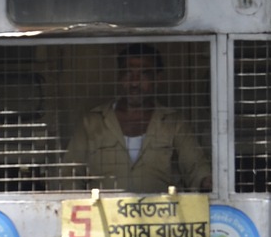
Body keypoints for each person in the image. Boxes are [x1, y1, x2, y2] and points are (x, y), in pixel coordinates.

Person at [71, 44, 211, 192]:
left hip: (164, 213)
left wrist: (205, 181)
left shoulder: (174, 123)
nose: (134, 82)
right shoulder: (92, 122)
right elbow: (70, 174)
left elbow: (196, 167)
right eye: (128, 73)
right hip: (103, 214)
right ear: (119, 77)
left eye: (144, 74)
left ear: (158, 78)